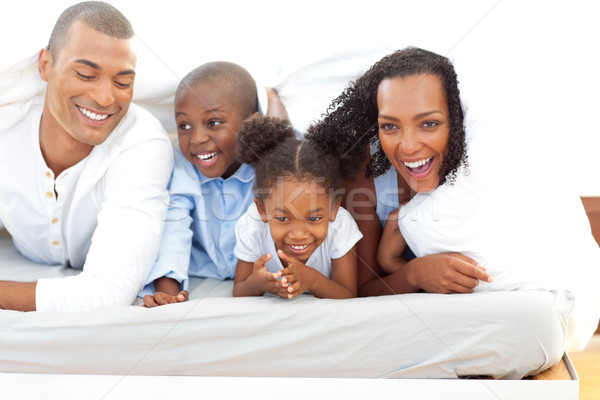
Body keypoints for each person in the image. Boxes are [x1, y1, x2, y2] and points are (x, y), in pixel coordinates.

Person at [0, 1, 173, 311]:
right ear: (45, 65)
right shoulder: (7, 128)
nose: (105, 98)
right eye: (86, 74)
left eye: (123, 82)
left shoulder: (142, 142)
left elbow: (107, 294)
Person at [141, 62, 288, 307]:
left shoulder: (265, 162)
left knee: (282, 146)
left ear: (251, 124)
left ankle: (265, 108)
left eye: (213, 123)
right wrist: (168, 291)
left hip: (255, 270)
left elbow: (288, 153)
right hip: (204, 267)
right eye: (184, 126)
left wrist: (273, 106)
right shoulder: (182, 166)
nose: (197, 139)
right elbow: (173, 230)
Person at [232, 116, 362, 299]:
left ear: (334, 208)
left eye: (314, 219)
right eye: (283, 218)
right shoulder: (252, 224)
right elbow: (239, 290)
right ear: (262, 210)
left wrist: (312, 280)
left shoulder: (340, 225)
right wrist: (257, 283)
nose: (299, 234)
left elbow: (348, 294)